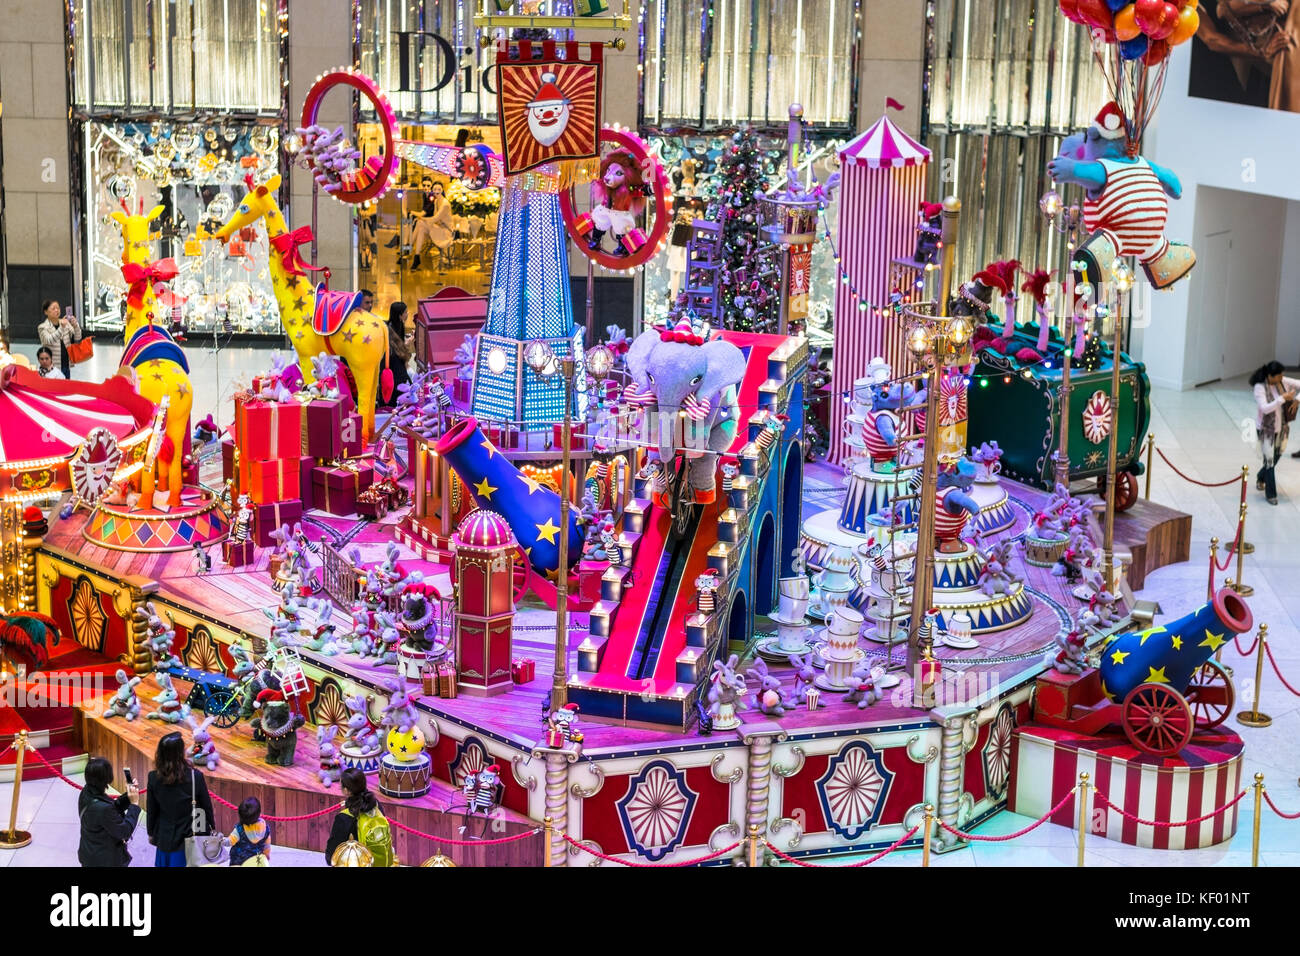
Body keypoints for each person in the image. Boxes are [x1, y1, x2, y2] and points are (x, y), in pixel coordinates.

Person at [146, 731, 215, 867]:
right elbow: (206, 807)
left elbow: (152, 809)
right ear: (180, 752)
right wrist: (211, 828)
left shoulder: (153, 777)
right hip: (189, 838)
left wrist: (151, 832)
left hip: (164, 837)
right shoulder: (196, 777)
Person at [1250, 360, 1300, 505]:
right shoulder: (1259, 387)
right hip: (1266, 430)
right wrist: (1282, 399)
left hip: (1282, 429)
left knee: (1276, 457)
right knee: (1270, 461)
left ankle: (1261, 477)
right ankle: (1271, 494)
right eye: (1279, 376)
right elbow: (1265, 408)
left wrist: (1297, 399)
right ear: (1270, 376)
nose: (1281, 377)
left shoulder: (1282, 381)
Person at [77, 757, 142, 867]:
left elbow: (111, 808)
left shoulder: (87, 791)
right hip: (103, 860)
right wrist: (134, 805)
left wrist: (128, 796)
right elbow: (124, 831)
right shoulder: (103, 809)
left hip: (90, 852)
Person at [325, 767, 394, 865]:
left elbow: (331, 857)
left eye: (341, 786)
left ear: (347, 790)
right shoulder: (376, 805)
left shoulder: (344, 818)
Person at [406, 179, 455, 271]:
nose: (436, 191)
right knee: (421, 227)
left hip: (446, 232)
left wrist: (421, 218)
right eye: (435, 189)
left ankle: (410, 248)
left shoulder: (445, 204)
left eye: (439, 189)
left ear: (442, 190)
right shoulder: (436, 201)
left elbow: (434, 219)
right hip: (438, 228)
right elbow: (434, 220)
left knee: (420, 222)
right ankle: (416, 256)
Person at [378, 302, 413, 407]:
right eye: (405, 312)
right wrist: (406, 345)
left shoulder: (399, 325)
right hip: (392, 364)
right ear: (400, 315)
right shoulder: (389, 329)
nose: (407, 314)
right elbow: (395, 350)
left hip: (397, 362)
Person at [36, 299, 80, 379]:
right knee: (55, 389)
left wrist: (76, 325)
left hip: (66, 364)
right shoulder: (42, 327)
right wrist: (61, 328)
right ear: (46, 312)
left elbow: (77, 337)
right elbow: (49, 340)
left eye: (58, 308)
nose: (57, 310)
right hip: (52, 368)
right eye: (53, 308)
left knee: (67, 388)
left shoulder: (64, 323)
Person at [227, 796, 271, 866]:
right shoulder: (265, 829)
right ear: (259, 813)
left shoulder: (239, 829)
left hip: (238, 861)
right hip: (256, 860)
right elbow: (267, 846)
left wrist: (220, 841)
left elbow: (230, 841)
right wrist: (266, 855)